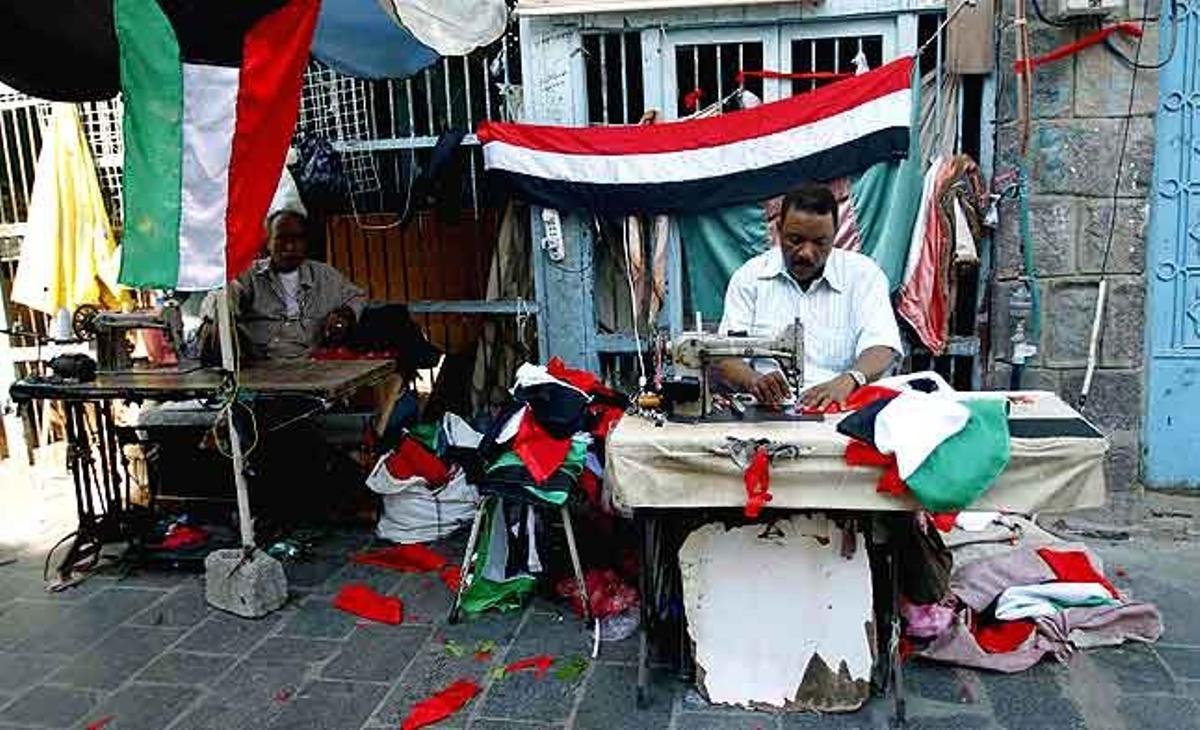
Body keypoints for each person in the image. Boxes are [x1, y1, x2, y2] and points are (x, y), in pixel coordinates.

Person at [715, 183, 903, 408]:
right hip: (769, 411)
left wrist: (850, 379)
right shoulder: (750, 278)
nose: (806, 253)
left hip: (841, 409)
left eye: (819, 243)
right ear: (778, 228)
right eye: (795, 240)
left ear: (834, 234)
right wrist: (754, 380)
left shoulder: (864, 276)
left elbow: (882, 347)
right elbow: (727, 357)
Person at [200, 209, 365, 361]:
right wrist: (219, 318)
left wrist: (344, 315)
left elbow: (356, 297)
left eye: (297, 239)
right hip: (258, 367)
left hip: (308, 366)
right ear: (268, 243)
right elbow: (221, 297)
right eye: (281, 239)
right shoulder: (249, 274)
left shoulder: (324, 275)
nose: (289, 247)